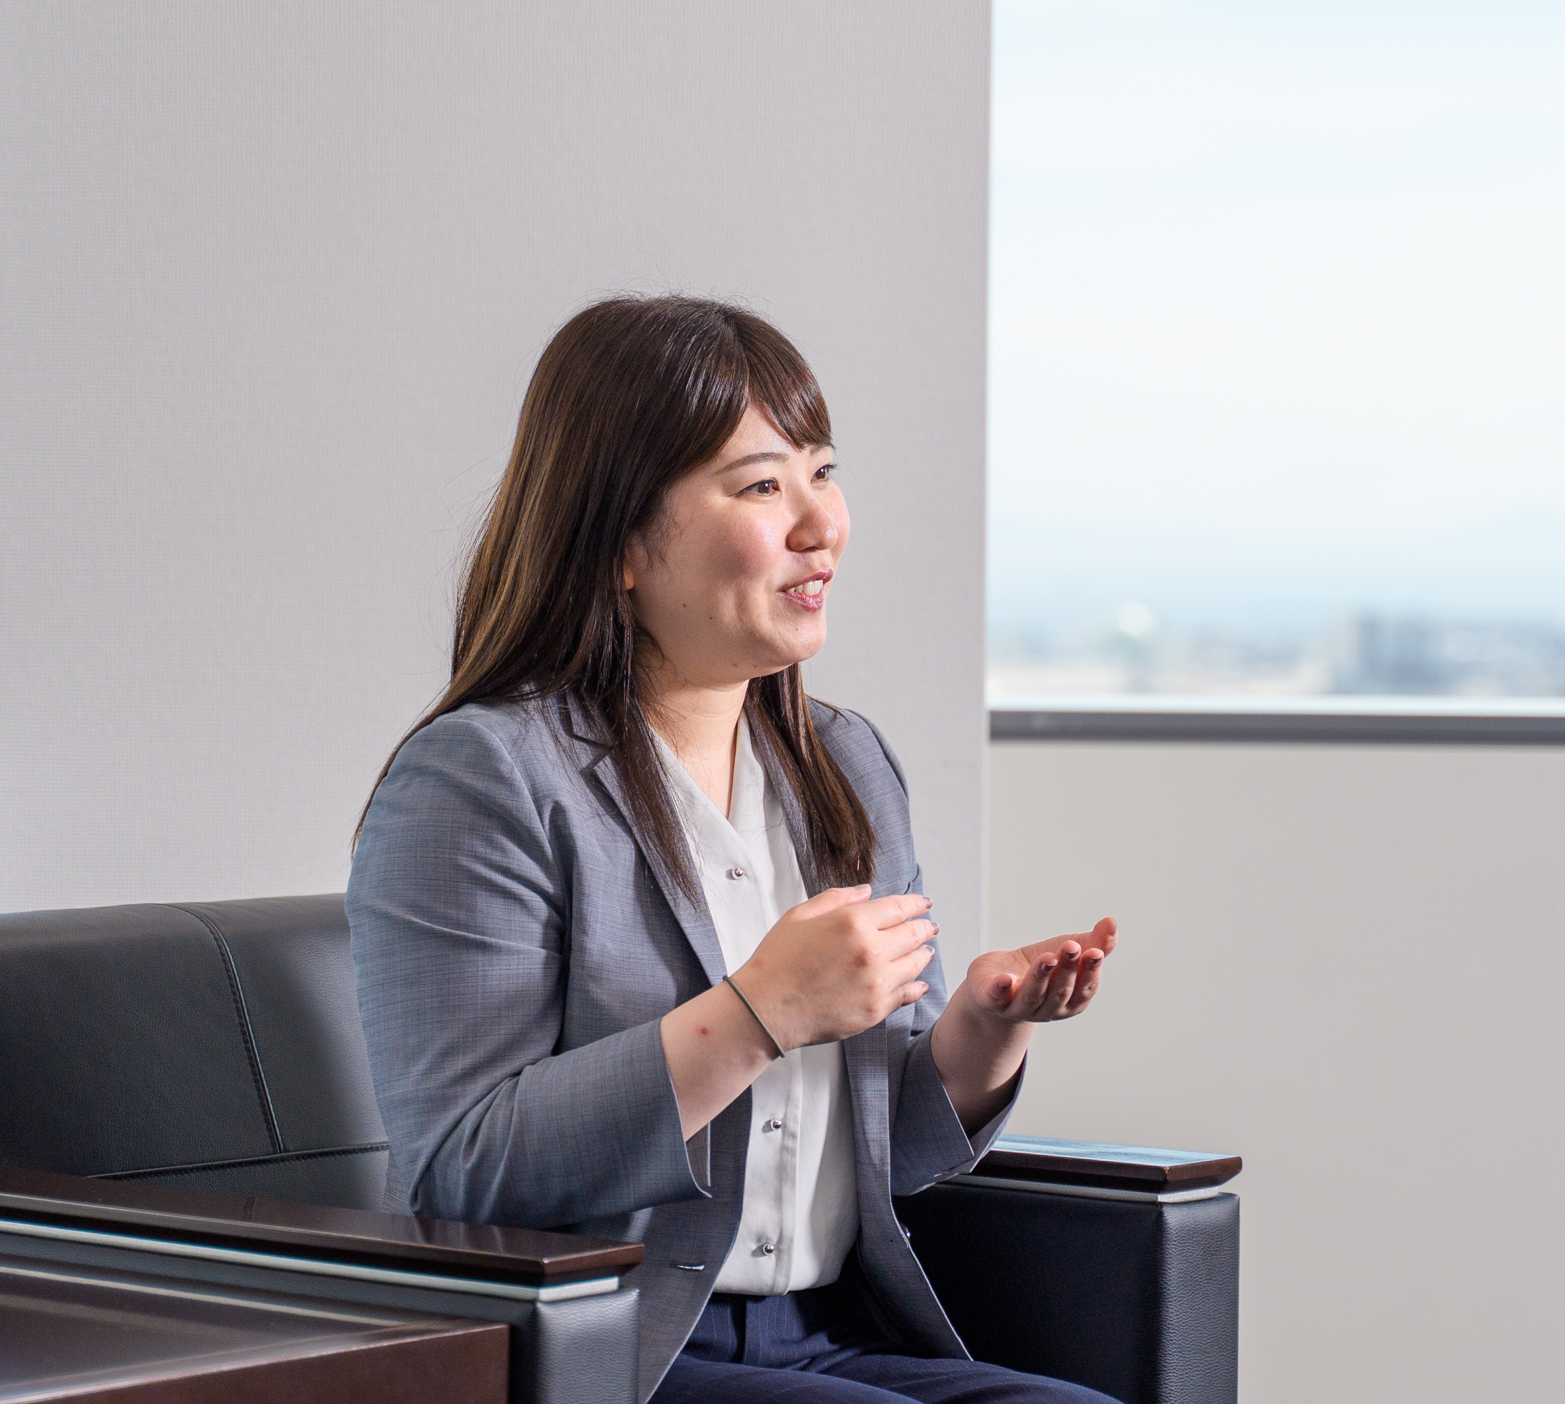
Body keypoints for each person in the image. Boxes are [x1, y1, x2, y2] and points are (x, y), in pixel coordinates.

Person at [348, 295, 1120, 1404]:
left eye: (823, 472)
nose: (821, 524)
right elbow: (464, 1167)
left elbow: (893, 1153)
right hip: (618, 1350)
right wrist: (759, 1012)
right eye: (762, 486)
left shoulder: (847, 764)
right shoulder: (481, 779)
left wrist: (984, 1032)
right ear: (621, 542)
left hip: (835, 1333)